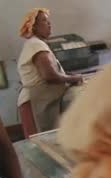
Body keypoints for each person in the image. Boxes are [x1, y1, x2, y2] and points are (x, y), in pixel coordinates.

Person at [17, 8, 83, 137]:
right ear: (33, 26)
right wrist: (73, 78)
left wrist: (67, 75)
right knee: (43, 139)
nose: (49, 24)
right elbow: (49, 75)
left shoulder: (36, 44)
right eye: (44, 21)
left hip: (40, 99)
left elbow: (51, 71)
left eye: (48, 21)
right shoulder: (36, 45)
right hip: (37, 101)